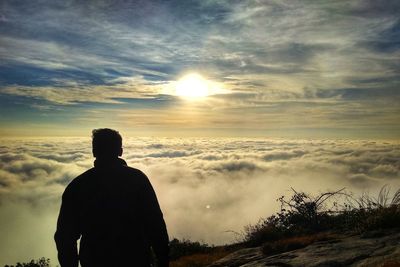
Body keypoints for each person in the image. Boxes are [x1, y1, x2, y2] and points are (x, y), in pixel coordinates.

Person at [55, 128, 169, 267]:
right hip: (135, 259)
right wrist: (163, 260)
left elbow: (65, 237)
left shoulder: (77, 186)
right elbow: (155, 223)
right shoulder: (137, 179)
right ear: (120, 151)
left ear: (94, 152)